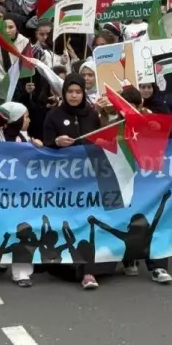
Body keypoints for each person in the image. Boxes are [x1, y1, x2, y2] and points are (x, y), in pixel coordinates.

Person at [42, 73, 107, 289]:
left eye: (78, 92)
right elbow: (44, 147)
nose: (74, 96)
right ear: (64, 93)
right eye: (70, 91)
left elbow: (100, 140)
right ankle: (67, 267)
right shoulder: (53, 116)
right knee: (69, 223)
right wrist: (56, 142)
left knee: (89, 222)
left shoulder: (91, 115)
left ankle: (88, 271)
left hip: (89, 179)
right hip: (63, 182)